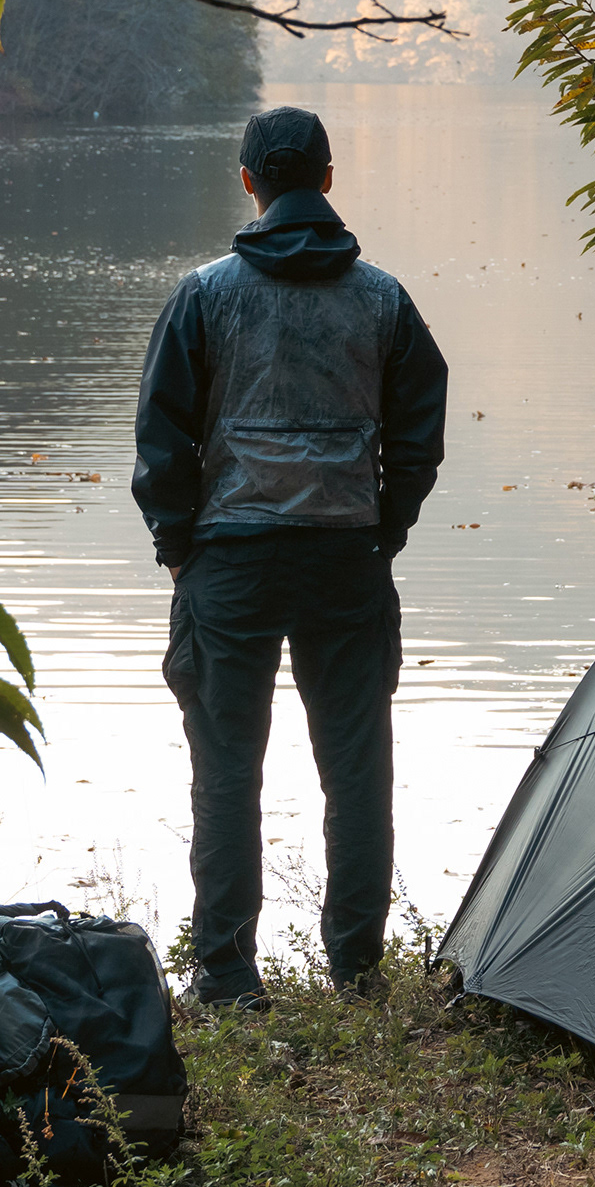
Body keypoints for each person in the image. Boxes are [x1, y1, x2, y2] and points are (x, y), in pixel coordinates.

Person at [132, 108, 450, 1006]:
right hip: (346, 559)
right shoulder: (383, 299)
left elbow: (162, 437)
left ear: (249, 184)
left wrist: (178, 548)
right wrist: (385, 529)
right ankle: (357, 970)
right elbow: (419, 435)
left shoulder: (204, 295)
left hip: (229, 562)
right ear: (329, 178)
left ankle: (228, 976)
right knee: (357, 770)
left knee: (227, 770)